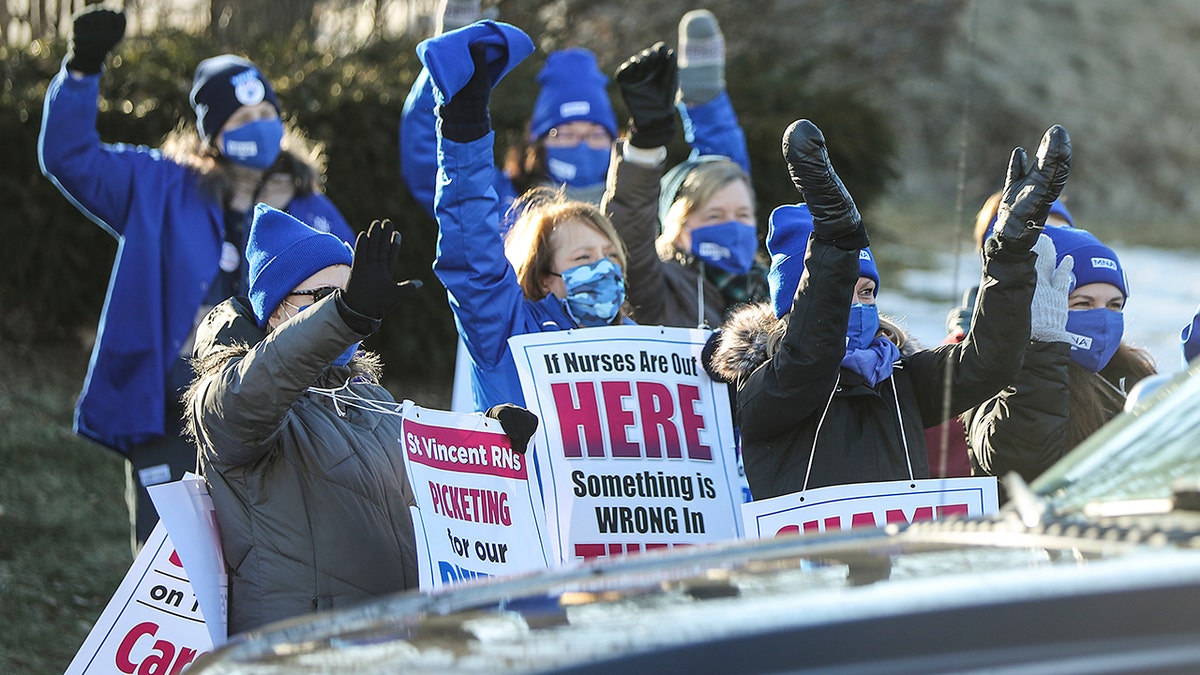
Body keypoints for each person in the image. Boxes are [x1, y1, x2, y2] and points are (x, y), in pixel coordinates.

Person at [38, 7, 354, 552]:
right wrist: (82, 70)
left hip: (276, 414)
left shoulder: (312, 207)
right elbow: (69, 158)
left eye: (265, 110)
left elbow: (342, 302)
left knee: (263, 562)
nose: (258, 124)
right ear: (212, 133)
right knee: (172, 563)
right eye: (240, 117)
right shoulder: (160, 186)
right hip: (172, 410)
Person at [185, 205, 538, 634]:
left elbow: (432, 485)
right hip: (301, 655)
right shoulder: (229, 396)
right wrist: (344, 316)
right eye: (324, 298)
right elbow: (250, 395)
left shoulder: (371, 399)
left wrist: (488, 436)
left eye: (350, 292)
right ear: (277, 311)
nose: (346, 305)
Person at [708, 119, 1070, 500]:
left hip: (895, 560)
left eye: (867, 293)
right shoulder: (765, 387)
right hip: (802, 560)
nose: (859, 305)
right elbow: (810, 357)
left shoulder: (900, 378)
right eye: (841, 292)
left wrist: (1010, 251)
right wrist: (837, 237)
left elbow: (989, 363)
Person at [422, 25, 636, 412]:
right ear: (541, 277)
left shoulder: (644, 349)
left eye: (611, 257)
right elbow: (472, 257)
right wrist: (463, 129)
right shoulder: (507, 335)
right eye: (583, 258)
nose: (603, 269)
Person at [964, 225, 1157, 484]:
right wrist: (1040, 348)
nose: (1102, 318)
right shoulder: (994, 376)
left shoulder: (1135, 375)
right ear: (1042, 303)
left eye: (1114, 305)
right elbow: (1018, 462)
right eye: (1082, 303)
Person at [603, 24, 765, 331]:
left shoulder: (774, 292)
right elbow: (629, 232)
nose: (731, 225)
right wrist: (645, 144)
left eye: (742, 215)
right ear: (678, 223)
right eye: (714, 215)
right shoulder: (659, 288)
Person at [926, 191, 1074, 477]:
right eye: (1031, 237)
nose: (1045, 248)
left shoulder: (1098, 358)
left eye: (1060, 236)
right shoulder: (953, 362)